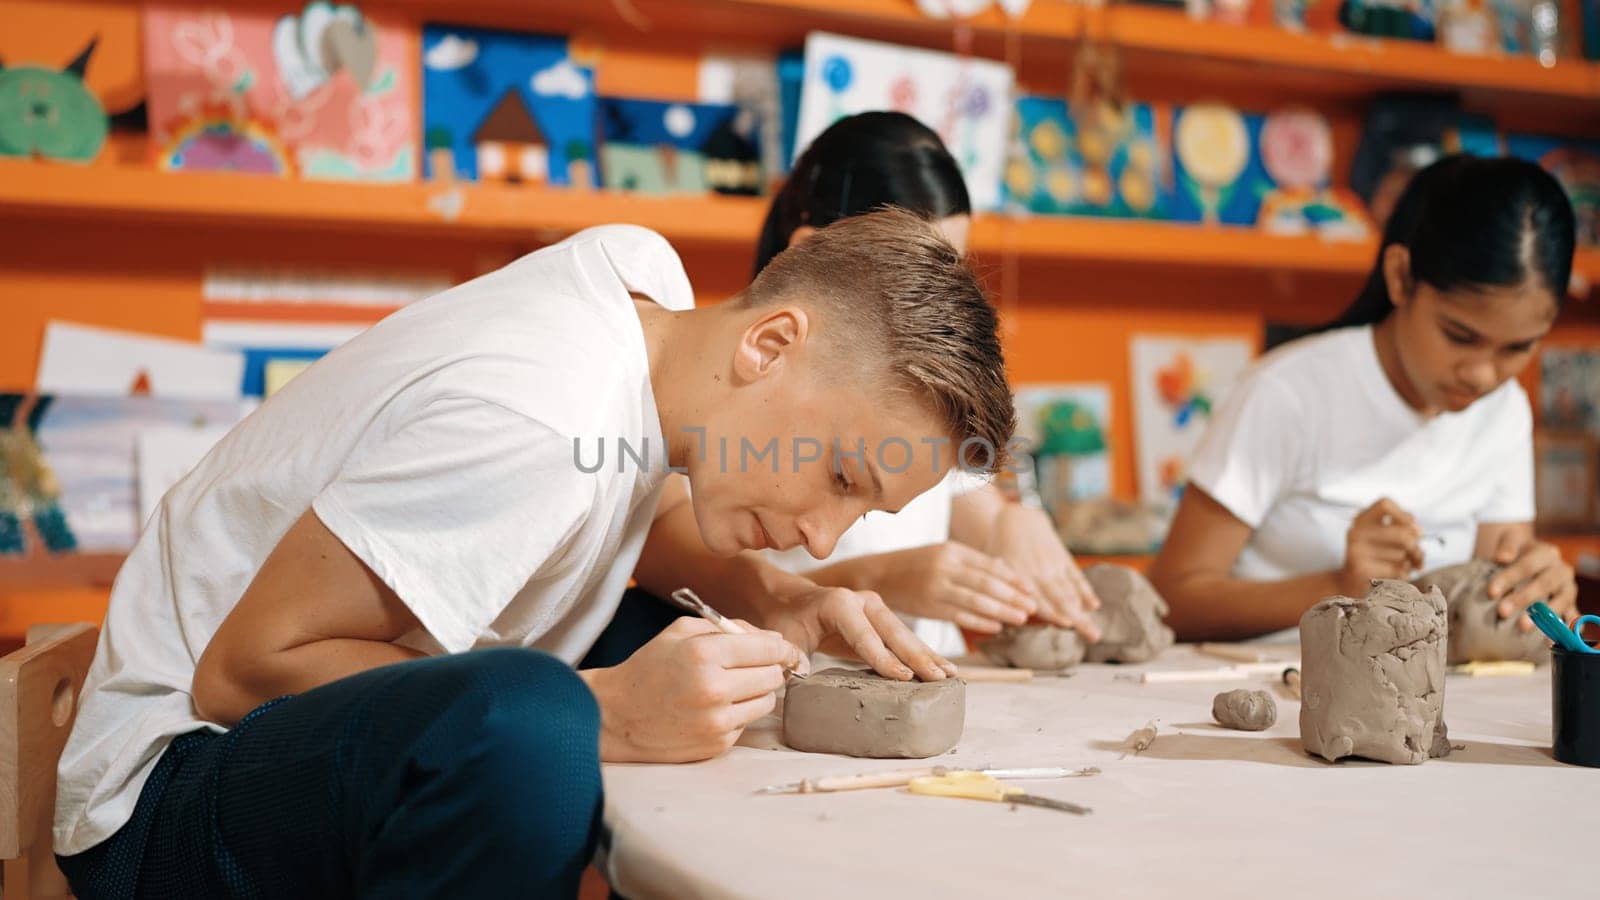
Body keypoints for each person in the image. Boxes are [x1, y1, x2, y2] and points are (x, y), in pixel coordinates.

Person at [53, 209, 1014, 898]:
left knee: (671, 638)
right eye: (843, 477)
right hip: (164, 793)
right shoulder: (537, 422)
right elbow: (239, 673)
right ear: (768, 344)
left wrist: (774, 595)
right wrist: (612, 714)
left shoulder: (650, 298)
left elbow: (620, 518)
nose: (823, 538)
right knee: (535, 729)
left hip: (284, 723)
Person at [583, 112, 1100, 674]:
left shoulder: (915, 423)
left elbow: (969, 497)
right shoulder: (703, 402)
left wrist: (1012, 522)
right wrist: (879, 579)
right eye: (919, 265)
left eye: (954, 271)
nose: (941, 296)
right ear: (821, 249)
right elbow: (702, 577)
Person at [1148, 154, 1581, 642]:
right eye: (1459, 335)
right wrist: (1336, 587)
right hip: (1263, 696)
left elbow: (1496, 601)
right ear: (1400, 277)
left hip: (1421, 703)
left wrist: (1533, 592)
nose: (1482, 374)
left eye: (1518, 347)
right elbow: (1170, 603)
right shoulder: (1287, 393)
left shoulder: (1504, 410)